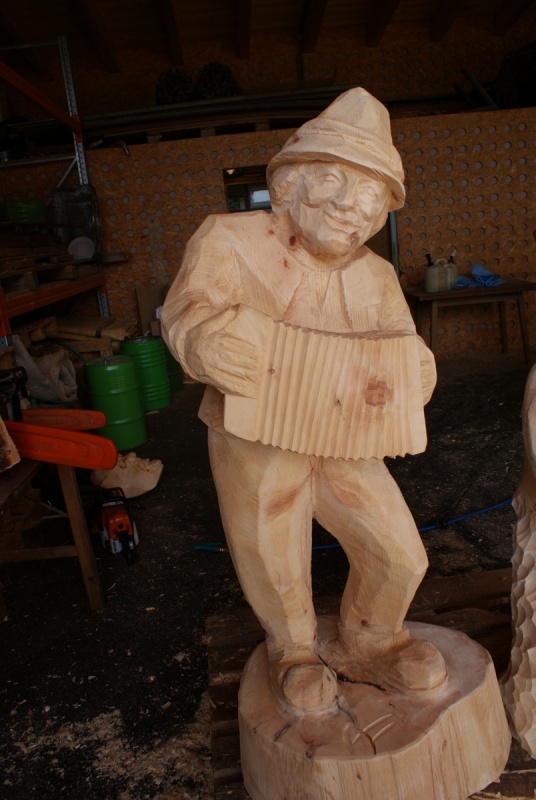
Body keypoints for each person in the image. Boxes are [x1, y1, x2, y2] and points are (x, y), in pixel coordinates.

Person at [162, 88, 447, 715]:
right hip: (253, 431)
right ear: (290, 183)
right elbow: (185, 312)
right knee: (270, 547)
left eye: (370, 195)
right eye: (333, 181)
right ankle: (292, 649)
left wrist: (417, 369)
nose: (351, 206)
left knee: (399, 552)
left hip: (346, 434)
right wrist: (203, 340)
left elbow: (401, 344)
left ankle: (373, 638)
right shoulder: (227, 239)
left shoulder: (375, 275)